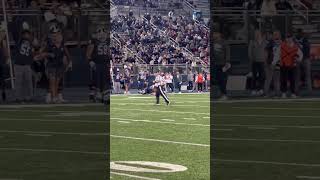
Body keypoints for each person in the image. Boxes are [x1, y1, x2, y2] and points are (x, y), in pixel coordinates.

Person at [40, 23, 71, 103]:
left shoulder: (62, 44)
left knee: (57, 82)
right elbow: (41, 53)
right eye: (54, 34)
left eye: (58, 33)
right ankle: (52, 96)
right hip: (51, 64)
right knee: (52, 81)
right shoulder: (49, 43)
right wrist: (48, 54)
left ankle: (55, 96)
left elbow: (66, 53)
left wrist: (68, 61)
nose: (57, 35)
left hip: (59, 64)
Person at [86, 27, 108, 101]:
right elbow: (88, 53)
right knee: (96, 79)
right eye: (100, 34)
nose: (102, 35)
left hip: (105, 63)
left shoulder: (108, 42)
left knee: (105, 79)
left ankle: (104, 94)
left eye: (103, 34)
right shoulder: (94, 42)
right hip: (97, 63)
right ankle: (97, 94)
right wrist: (90, 61)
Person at [14, 29, 35, 103]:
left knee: (28, 82)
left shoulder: (31, 43)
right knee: (19, 82)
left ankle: (29, 97)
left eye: (28, 34)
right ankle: (18, 97)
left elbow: (31, 53)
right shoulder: (19, 41)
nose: (27, 35)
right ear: (22, 35)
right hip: (18, 64)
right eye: (26, 34)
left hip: (27, 65)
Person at [280, 33, 302, 98]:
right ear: (286, 38)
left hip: (292, 65)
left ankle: (293, 93)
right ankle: (283, 92)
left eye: (289, 37)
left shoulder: (295, 46)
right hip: (284, 64)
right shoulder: (282, 45)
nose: (288, 39)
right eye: (287, 37)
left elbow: (301, 54)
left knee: (292, 80)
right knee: (283, 79)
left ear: (292, 38)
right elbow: (277, 54)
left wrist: (298, 59)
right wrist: (274, 62)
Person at [248, 30, 268, 96]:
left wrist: (266, 60)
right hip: (254, 61)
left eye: (257, 34)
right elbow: (249, 52)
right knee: (254, 76)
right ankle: (253, 90)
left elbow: (266, 52)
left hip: (262, 62)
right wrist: (251, 59)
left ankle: (261, 89)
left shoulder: (265, 42)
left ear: (260, 34)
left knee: (262, 76)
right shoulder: (252, 42)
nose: (256, 35)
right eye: (255, 34)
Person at [212, 31, 230, 100]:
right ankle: (221, 92)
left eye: (215, 33)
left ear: (219, 34)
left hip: (222, 63)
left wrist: (227, 62)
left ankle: (224, 93)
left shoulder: (224, 42)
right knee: (217, 79)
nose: (214, 35)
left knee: (222, 79)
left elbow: (227, 52)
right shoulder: (213, 43)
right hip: (215, 63)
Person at [264, 30, 282, 97]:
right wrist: (265, 61)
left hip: (278, 63)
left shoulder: (281, 42)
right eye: (275, 34)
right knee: (269, 78)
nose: (276, 35)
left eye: (277, 34)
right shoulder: (271, 42)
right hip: (270, 63)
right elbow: (265, 51)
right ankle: (266, 93)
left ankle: (277, 92)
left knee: (277, 79)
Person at [295, 29, 312, 93]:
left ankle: (309, 91)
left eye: (300, 33)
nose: (299, 34)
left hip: (305, 58)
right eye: (298, 33)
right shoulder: (295, 40)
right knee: (297, 75)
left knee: (307, 75)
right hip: (298, 59)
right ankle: (296, 90)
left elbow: (307, 50)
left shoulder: (305, 40)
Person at [0, 25, 8, 103]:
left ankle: (3, 93)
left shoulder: (3, 41)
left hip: (1, 62)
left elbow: (5, 51)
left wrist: (7, 58)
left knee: (2, 79)